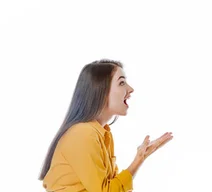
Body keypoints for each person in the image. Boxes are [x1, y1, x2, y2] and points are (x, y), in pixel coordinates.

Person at [38, 59, 173, 192]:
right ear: (101, 91)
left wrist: (140, 157)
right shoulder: (83, 133)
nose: (130, 89)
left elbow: (113, 187)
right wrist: (138, 161)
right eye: (121, 83)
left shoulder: (102, 133)